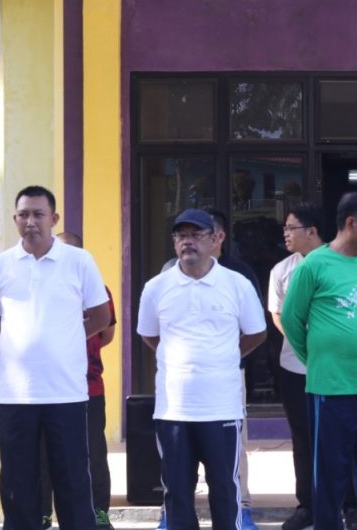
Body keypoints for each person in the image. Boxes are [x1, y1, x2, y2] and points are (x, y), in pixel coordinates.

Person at [0, 186, 112, 530]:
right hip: (15, 395)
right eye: (24, 214)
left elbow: (101, 317)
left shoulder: (79, 261)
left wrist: (65, 337)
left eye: (39, 214)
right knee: (18, 484)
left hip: (65, 393)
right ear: (15, 219)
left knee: (72, 482)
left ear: (54, 218)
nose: (31, 222)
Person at [137, 208, 267, 530]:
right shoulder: (156, 287)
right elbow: (150, 335)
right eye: (181, 236)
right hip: (173, 409)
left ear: (213, 240)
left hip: (220, 407)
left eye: (196, 235)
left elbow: (256, 333)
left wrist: (224, 356)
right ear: (174, 242)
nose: (188, 242)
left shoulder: (236, 284)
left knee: (224, 489)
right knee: (177, 492)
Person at [281, 192, 357, 530]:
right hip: (332, 387)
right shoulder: (314, 265)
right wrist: (318, 360)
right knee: (331, 472)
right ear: (351, 222)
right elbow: (291, 320)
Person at [39, 232, 118, 530]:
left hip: (89, 387)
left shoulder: (97, 289)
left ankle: (99, 513)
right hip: (47, 388)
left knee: (92, 454)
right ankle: (43, 514)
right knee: (44, 454)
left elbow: (106, 333)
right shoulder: (41, 286)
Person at [267, 203, 324, 530]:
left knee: (339, 437)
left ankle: (348, 503)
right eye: (285, 229)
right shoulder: (282, 270)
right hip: (294, 366)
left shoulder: (337, 262)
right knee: (302, 439)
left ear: (312, 231)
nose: (286, 234)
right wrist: (301, 344)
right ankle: (307, 506)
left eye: (292, 228)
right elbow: (277, 313)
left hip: (334, 368)